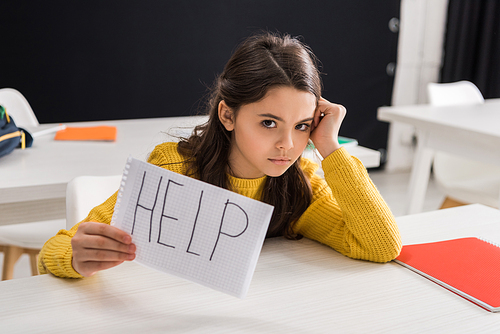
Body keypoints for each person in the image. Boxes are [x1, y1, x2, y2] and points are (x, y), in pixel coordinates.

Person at [38, 32, 402, 278]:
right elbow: (52, 250)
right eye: (269, 123)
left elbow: (381, 245)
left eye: (303, 125)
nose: (288, 145)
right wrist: (75, 257)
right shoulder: (175, 170)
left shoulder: (299, 184)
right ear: (228, 115)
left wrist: (330, 148)